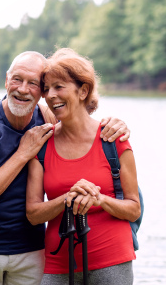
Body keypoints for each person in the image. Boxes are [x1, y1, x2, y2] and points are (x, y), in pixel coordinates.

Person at [0, 51, 130, 285]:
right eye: (17, 79)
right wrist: (23, 154)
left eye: (35, 84)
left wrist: (117, 124)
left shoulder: (50, 120)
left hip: (32, 251)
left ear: (40, 91)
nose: (23, 89)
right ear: (6, 80)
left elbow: (81, 118)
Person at [26, 48, 141, 285]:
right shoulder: (43, 144)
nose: (50, 95)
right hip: (57, 262)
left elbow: (133, 209)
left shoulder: (113, 139)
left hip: (112, 261)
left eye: (59, 86)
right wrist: (69, 198)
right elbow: (33, 214)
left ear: (83, 90)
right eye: (46, 89)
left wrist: (100, 199)